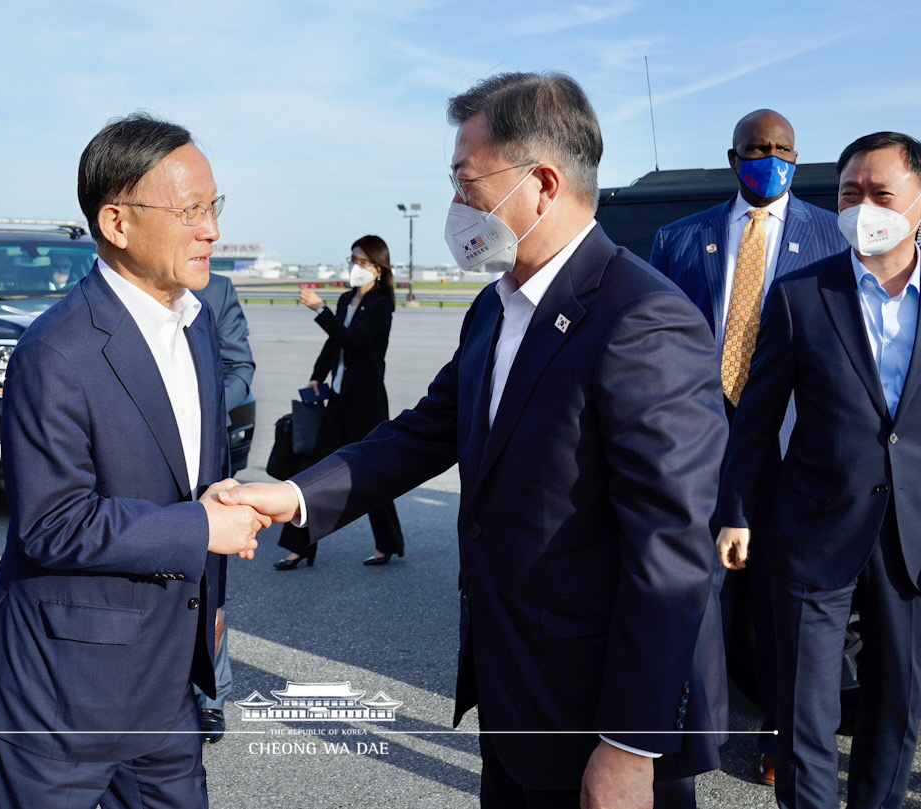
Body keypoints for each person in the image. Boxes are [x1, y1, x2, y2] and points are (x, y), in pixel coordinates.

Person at [222, 71, 728, 809]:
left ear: (544, 183)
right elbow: (420, 435)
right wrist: (294, 495)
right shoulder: (496, 309)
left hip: (597, 718)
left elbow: (673, 552)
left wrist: (627, 746)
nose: (458, 204)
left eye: (466, 182)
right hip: (513, 691)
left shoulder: (642, 319)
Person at [0, 113, 265, 809]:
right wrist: (199, 529)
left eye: (214, 206)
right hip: (59, 693)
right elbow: (52, 522)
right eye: (190, 210)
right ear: (117, 223)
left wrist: (213, 593)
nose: (211, 229)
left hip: (166, 689)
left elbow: (193, 473)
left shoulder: (197, 327)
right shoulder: (56, 350)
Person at [715, 132, 921, 809]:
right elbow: (755, 415)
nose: (865, 207)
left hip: (911, 540)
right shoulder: (802, 295)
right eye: (849, 194)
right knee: (804, 712)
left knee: (897, 704)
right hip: (812, 529)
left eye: (881, 193)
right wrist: (739, 510)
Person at [649, 109, 846, 787]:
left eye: (783, 148)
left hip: (795, 448)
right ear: (733, 158)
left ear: (798, 155)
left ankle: (779, 739)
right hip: (698, 446)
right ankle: (689, 733)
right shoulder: (680, 238)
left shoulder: (832, 236)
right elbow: (652, 347)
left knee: (784, 607)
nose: (771, 157)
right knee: (695, 598)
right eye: (757, 149)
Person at [273, 235, 405, 570]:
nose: (354, 267)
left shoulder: (381, 305)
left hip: (367, 400)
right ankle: (300, 547)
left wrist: (320, 309)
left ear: (378, 268)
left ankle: (387, 542)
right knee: (314, 470)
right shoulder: (347, 299)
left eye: (362, 262)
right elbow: (335, 345)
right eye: (353, 260)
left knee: (373, 471)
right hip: (339, 397)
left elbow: (354, 342)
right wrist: (318, 374)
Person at [192, 271, 257, 744]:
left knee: (209, 585)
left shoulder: (216, 289)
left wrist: (204, 406)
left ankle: (212, 696)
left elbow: (240, 367)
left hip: (203, 459)